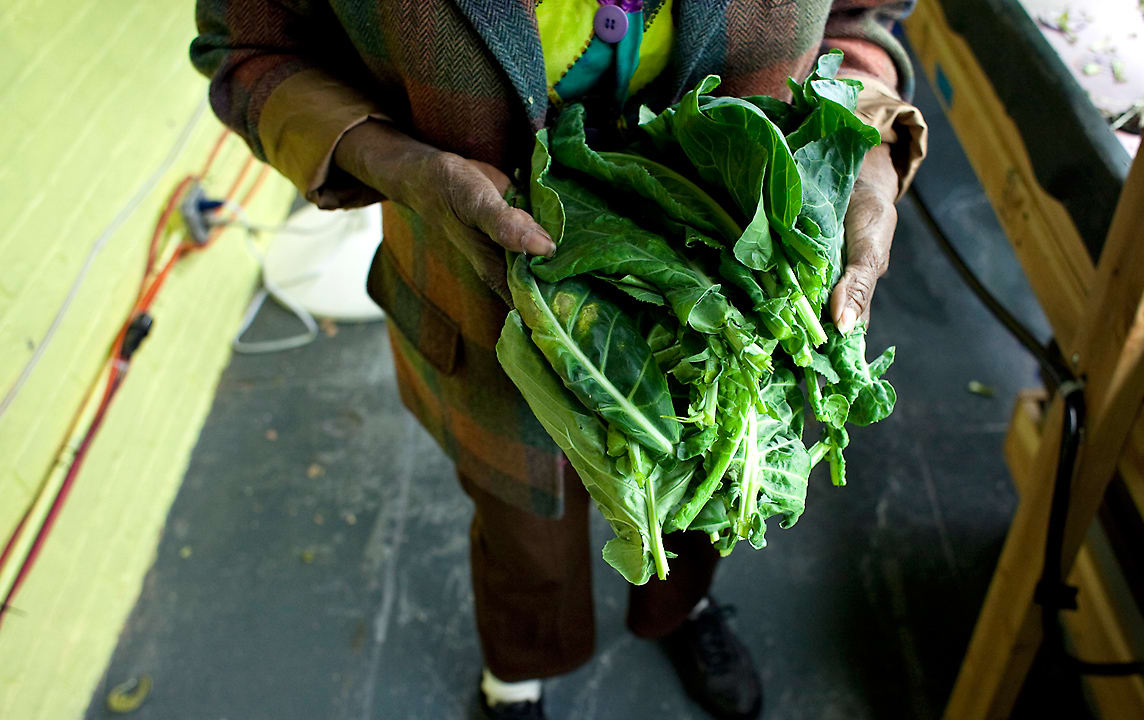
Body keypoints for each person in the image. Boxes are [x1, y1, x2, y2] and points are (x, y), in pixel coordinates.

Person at [191, 2, 927, 718]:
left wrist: (859, 151)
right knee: (521, 524)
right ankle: (519, 674)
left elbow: (859, 20)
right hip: (478, 294)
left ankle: (680, 610)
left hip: (735, 320)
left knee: (709, 488)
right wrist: (402, 165)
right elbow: (248, 52)